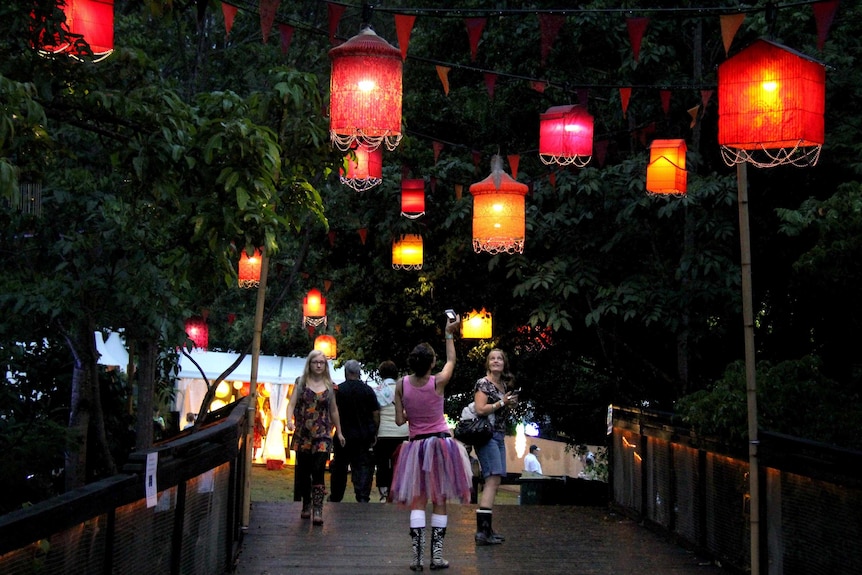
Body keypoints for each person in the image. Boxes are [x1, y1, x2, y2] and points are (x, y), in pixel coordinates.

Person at [390, 314, 473, 571]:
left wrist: (408, 411)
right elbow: (452, 360)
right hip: (440, 445)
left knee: (418, 498)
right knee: (439, 499)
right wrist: (449, 333)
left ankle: (416, 558)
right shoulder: (437, 382)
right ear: (431, 363)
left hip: (415, 447)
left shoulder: (401, 384)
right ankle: (436, 557)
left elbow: (399, 421)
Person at [286, 350, 345, 525]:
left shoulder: (330, 386)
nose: (319, 365)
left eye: (322, 362)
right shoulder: (301, 382)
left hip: (323, 433)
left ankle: (318, 508)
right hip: (303, 433)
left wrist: (339, 432)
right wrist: (289, 420)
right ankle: (306, 503)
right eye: (315, 362)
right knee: (304, 471)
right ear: (309, 364)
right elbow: (292, 404)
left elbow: (334, 410)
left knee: (318, 469)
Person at [471, 348, 518, 546]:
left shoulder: (503, 384)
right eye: (492, 358)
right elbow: (481, 409)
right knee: (492, 479)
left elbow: (502, 406)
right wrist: (501, 403)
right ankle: (482, 532)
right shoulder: (483, 383)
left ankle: (487, 528)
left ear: (504, 363)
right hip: (486, 436)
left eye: (500, 358)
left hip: (498, 435)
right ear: (487, 363)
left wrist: (509, 403)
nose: (496, 361)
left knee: (496, 479)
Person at [329, 359, 380, 503]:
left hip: (342, 435)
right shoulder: (368, 390)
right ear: (359, 373)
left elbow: (332, 412)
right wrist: (374, 431)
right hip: (363, 436)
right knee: (362, 467)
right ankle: (362, 496)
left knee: (339, 467)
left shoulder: (339, 390)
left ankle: (336, 496)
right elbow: (376, 414)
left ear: (346, 373)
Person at [372, 360, 409, 502]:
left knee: (382, 464)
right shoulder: (404, 389)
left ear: (380, 374)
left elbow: (375, 413)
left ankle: (384, 493)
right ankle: (398, 492)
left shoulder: (377, 391)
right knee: (400, 464)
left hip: (383, 433)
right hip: (402, 432)